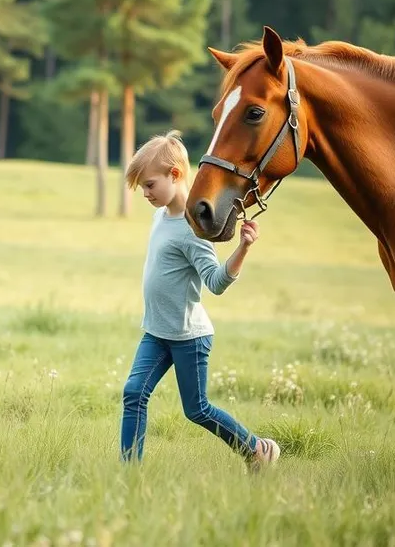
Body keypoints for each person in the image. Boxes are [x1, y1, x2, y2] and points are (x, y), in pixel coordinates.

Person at [119, 129, 279, 471]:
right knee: (134, 392)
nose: (145, 193)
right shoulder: (160, 215)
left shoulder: (193, 230)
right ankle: (128, 472)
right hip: (157, 332)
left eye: (150, 185)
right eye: (142, 187)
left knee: (197, 409)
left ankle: (256, 449)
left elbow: (216, 283)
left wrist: (243, 248)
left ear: (175, 174)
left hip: (189, 337)